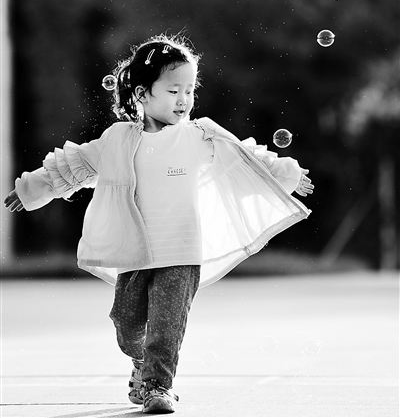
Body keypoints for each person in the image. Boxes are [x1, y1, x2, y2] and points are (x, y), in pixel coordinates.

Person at [4, 33, 314, 414]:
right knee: (127, 326)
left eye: (190, 90)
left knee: (166, 326)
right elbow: (74, 166)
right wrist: (32, 189)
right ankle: (141, 363)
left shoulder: (200, 136)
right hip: (135, 252)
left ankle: (158, 385)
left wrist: (286, 174)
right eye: (173, 90)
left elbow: (246, 159)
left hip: (181, 251)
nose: (184, 99)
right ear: (141, 93)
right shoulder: (117, 140)